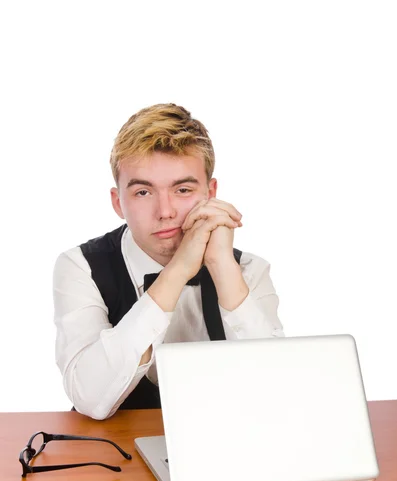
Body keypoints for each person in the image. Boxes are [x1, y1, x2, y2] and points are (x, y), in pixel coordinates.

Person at [53, 103, 284, 420]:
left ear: (210, 192)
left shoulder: (248, 271)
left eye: (183, 189)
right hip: (116, 458)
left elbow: (278, 395)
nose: (166, 211)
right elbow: (90, 399)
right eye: (144, 193)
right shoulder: (81, 267)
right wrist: (177, 272)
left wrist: (222, 268)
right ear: (118, 202)